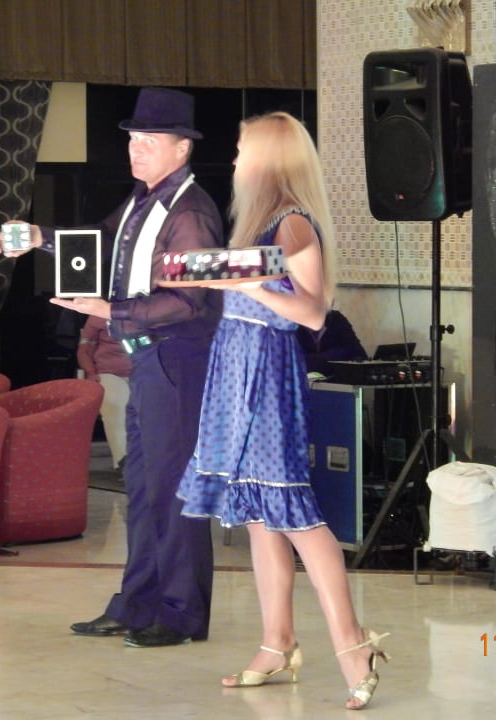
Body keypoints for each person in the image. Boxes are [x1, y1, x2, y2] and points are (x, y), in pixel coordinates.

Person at [0, 87, 223, 648]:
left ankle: (181, 612)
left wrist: (110, 311)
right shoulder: (143, 200)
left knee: (172, 491)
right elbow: (98, 243)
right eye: (132, 139)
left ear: (182, 149)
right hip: (148, 361)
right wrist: (39, 238)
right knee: (142, 489)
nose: (135, 149)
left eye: (149, 141)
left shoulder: (191, 212)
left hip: (177, 360)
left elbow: (191, 300)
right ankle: (138, 604)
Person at [176, 112, 389, 710]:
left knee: (294, 512)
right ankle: (277, 643)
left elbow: (313, 312)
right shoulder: (258, 226)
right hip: (235, 369)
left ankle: (353, 645)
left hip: (267, 375)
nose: (235, 159)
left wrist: (244, 286)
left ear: (268, 159)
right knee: (258, 513)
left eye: (243, 149)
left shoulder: (292, 222)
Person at [76, 314, 132, 472]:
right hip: (109, 372)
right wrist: (90, 372)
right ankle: (123, 461)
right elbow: (84, 351)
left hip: (144, 373)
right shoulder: (98, 316)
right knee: (115, 407)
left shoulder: (149, 312)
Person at [296, 308, 367, 375]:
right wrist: (338, 356)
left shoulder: (336, 319)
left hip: (338, 382)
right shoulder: (293, 326)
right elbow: (297, 363)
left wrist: (315, 360)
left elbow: (360, 357)